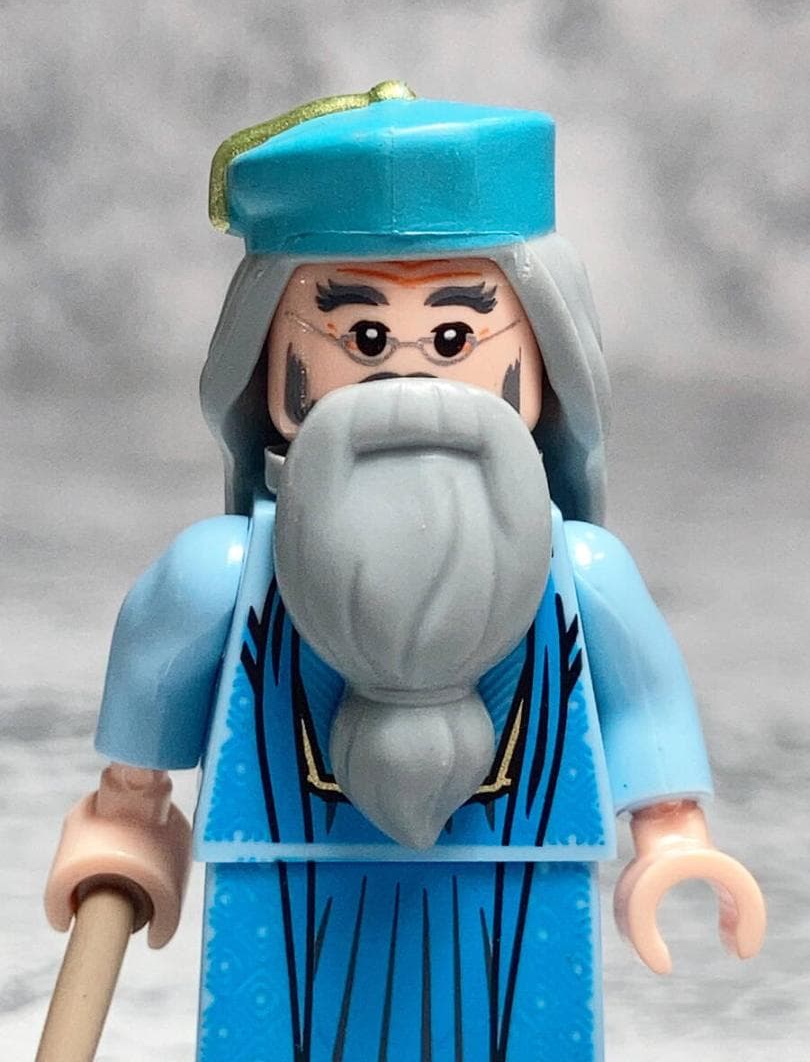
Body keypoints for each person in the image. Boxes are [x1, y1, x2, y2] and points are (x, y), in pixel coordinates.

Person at [45, 81, 765, 1062]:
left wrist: (672, 837)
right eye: (364, 337)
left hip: (518, 895)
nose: (411, 379)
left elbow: (639, 705)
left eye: (458, 337)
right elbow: (142, 759)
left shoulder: (578, 574)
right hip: (283, 904)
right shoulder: (225, 576)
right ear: (269, 359)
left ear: (544, 356)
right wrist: (127, 824)